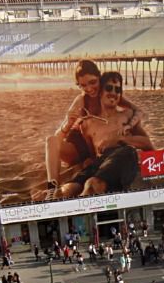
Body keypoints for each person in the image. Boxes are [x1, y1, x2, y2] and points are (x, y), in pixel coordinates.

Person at [40, 60, 144, 200]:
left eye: (92, 82)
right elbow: (58, 139)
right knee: (50, 140)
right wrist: (68, 123)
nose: (89, 88)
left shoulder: (109, 92)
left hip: (96, 146)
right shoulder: (81, 100)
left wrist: (129, 125)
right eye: (83, 85)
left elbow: (137, 111)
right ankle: (52, 188)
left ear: (99, 78)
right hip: (77, 144)